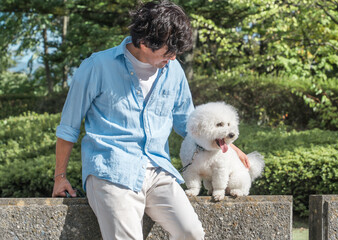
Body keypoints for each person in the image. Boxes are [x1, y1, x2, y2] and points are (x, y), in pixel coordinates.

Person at [52, 1, 249, 239]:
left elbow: (189, 123)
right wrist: (60, 177)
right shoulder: (97, 66)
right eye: (168, 52)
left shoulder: (173, 70)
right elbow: (69, 125)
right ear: (144, 43)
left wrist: (227, 145)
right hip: (111, 169)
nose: (174, 58)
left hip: (159, 170)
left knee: (192, 233)